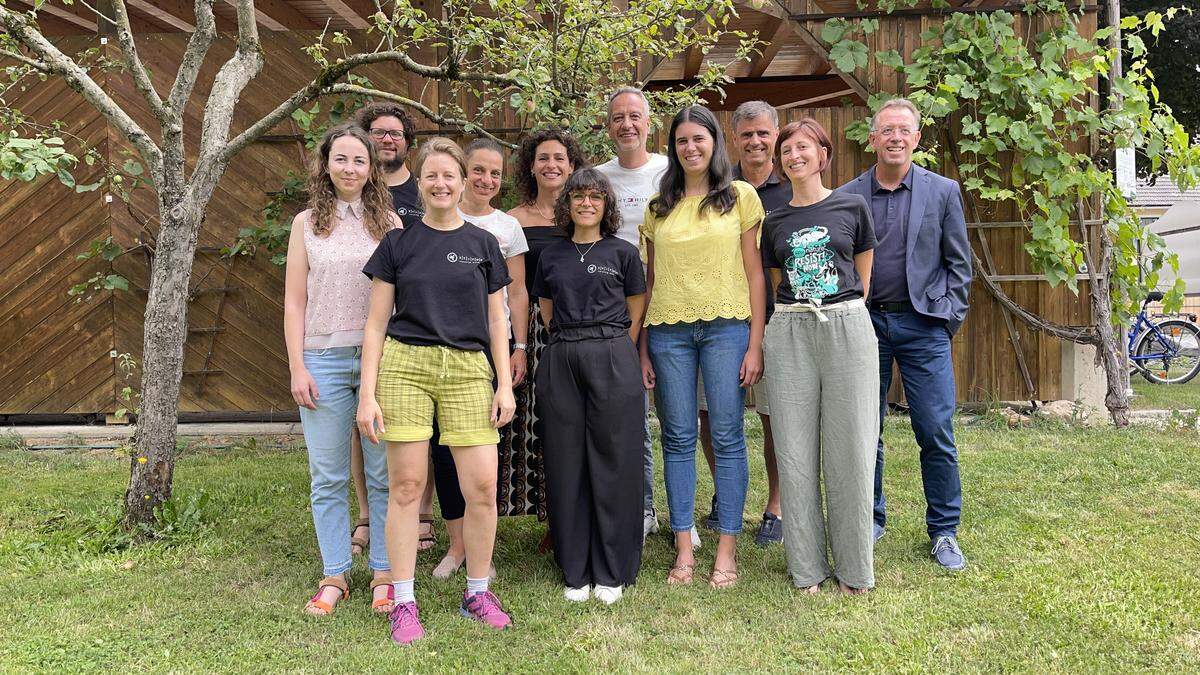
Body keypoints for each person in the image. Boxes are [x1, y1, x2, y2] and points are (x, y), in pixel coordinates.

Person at [358, 138, 516, 644]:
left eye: (452, 175)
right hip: (405, 366)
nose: (443, 183)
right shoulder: (397, 244)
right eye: (433, 176)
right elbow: (376, 323)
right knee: (406, 488)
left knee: (483, 488)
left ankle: (478, 591)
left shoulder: (484, 244)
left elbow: (498, 318)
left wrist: (504, 383)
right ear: (420, 182)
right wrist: (367, 394)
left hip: (469, 369)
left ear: (465, 180)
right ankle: (404, 600)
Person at [838, 97, 972, 571]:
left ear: (917, 139)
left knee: (935, 429)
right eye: (886, 130)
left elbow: (960, 264)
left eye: (904, 130)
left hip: (923, 326)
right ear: (872, 139)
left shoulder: (942, 192)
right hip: (864, 324)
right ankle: (869, 521)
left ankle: (943, 530)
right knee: (863, 430)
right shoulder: (848, 195)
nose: (895, 138)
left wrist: (946, 318)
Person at [639, 105, 766, 589]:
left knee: (729, 435)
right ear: (673, 147)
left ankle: (727, 548)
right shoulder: (658, 207)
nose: (690, 148)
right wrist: (645, 347)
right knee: (676, 437)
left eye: (699, 139)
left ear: (715, 142)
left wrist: (755, 343)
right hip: (668, 332)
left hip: (727, 329)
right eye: (681, 141)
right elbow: (650, 282)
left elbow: (755, 274)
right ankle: (684, 546)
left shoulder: (740, 197)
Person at [283, 123, 402, 616]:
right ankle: (335, 572)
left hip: (380, 359)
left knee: (382, 473)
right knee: (328, 474)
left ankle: (382, 572)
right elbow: (294, 300)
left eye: (360, 160)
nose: (350, 169)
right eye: (341, 159)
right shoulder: (306, 223)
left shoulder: (390, 224)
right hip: (322, 361)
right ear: (325, 165)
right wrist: (296, 366)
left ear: (372, 168)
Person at [762, 118, 878, 594]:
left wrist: (840, 313)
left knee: (851, 447)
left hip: (847, 325)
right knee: (794, 448)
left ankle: (854, 570)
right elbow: (775, 283)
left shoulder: (852, 206)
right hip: (790, 330)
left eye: (803, 147)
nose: (794, 156)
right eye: (786, 150)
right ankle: (806, 568)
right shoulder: (774, 221)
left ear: (823, 154)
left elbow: (863, 276)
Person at [533, 169, 647, 604]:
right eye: (577, 197)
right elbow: (546, 308)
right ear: (567, 204)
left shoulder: (622, 252)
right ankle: (575, 568)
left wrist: (614, 348)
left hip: (612, 353)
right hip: (563, 354)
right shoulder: (552, 255)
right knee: (567, 459)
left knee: (614, 457)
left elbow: (635, 308)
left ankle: (612, 568)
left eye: (594, 197)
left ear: (606, 204)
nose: (585, 204)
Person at [427, 138, 531, 579]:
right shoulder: (437, 217)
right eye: (478, 170)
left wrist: (519, 347)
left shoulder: (507, 228)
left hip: (489, 350)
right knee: (444, 450)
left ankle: (480, 543)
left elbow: (518, 293)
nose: (486, 180)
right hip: (435, 346)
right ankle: (456, 546)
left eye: (495, 173)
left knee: (482, 452)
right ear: (460, 172)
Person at [593, 86, 688, 546]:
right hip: (616, 308)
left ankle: (684, 517)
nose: (626, 124)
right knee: (633, 415)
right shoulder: (596, 177)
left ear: (649, 123)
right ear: (607, 126)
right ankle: (644, 506)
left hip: (672, 302)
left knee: (678, 419)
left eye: (635, 116)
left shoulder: (671, 172)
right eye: (617, 117)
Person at [697, 100, 789, 547]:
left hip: (778, 320)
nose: (755, 141)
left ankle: (776, 505)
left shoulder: (793, 187)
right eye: (746, 134)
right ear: (734, 139)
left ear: (776, 134)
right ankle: (724, 494)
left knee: (776, 416)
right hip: (719, 319)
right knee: (711, 414)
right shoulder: (717, 189)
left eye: (763, 133)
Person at [356, 102, 437, 550]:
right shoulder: (354, 187)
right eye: (378, 132)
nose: (388, 139)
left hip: (417, 322)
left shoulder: (422, 192)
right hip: (364, 319)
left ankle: (422, 511)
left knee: (418, 425)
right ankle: (368, 513)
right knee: (366, 423)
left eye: (396, 133)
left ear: (408, 142)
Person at [504, 129, 585, 524]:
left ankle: (566, 516)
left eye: (559, 158)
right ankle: (541, 512)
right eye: (543, 158)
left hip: (576, 323)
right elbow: (512, 284)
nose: (551, 165)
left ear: (572, 166)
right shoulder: (513, 219)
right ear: (531, 167)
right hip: (529, 326)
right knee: (531, 419)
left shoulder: (586, 214)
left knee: (569, 418)